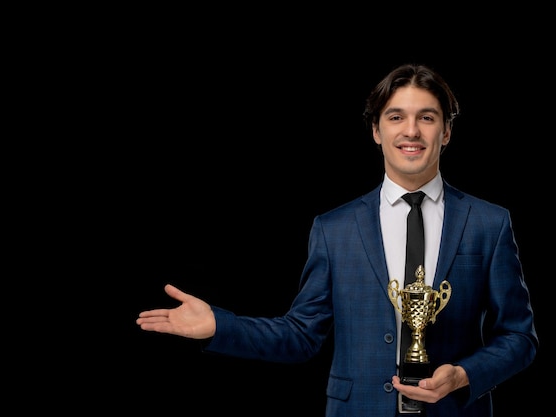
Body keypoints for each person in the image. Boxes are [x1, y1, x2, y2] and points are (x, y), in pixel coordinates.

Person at [136, 63, 538, 416]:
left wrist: (463, 375)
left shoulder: (489, 223)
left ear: (446, 131)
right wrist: (220, 327)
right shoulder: (335, 228)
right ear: (377, 131)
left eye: (427, 118)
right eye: (396, 117)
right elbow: (301, 335)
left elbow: (519, 337)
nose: (411, 131)